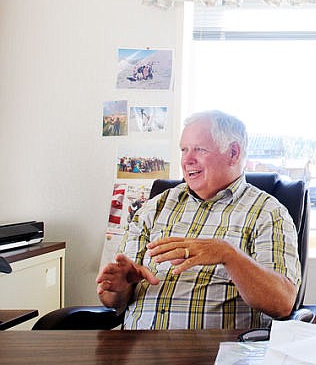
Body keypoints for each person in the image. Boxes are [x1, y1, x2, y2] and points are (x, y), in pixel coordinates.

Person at [96, 110, 301, 329]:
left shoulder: (268, 213)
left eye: (199, 149)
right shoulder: (155, 208)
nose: (187, 160)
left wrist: (228, 255)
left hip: (218, 354)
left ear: (233, 153)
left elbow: (282, 303)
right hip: (138, 351)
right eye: (184, 150)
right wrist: (116, 288)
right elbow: (115, 303)